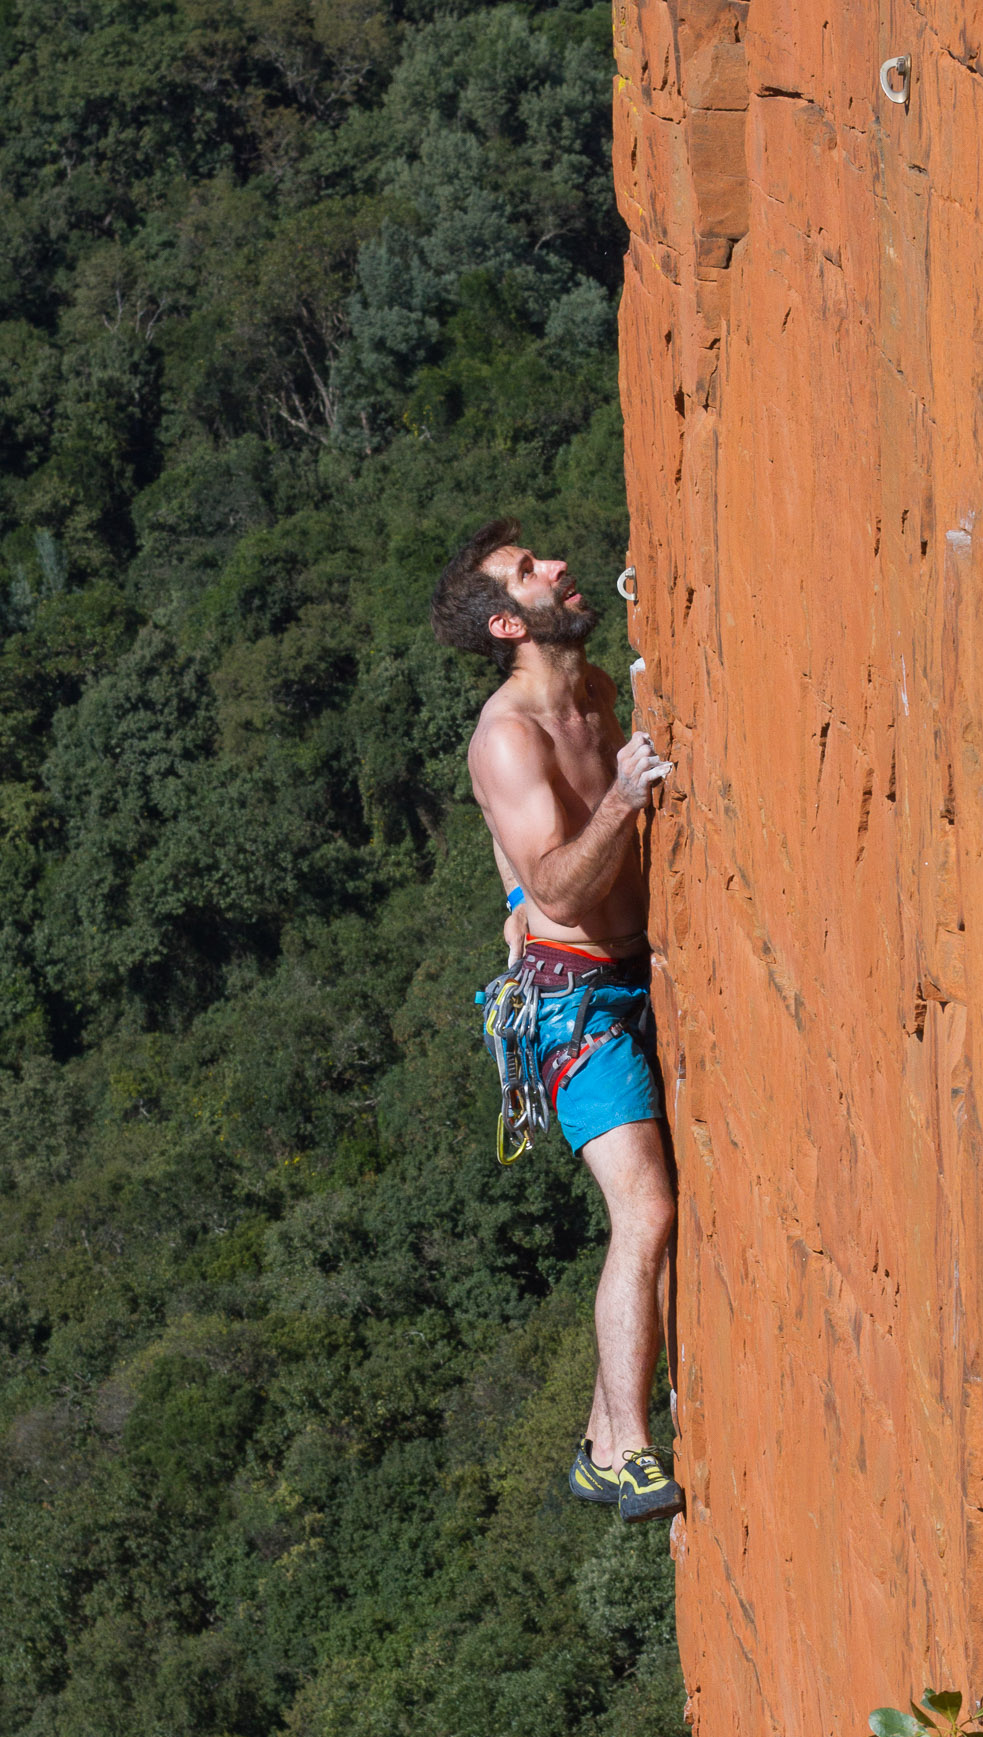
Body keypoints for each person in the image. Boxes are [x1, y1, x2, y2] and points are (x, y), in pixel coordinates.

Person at [430, 519, 683, 1525]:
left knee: (655, 1211)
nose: (557, 569)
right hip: (571, 1000)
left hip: (624, 974)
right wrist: (622, 797)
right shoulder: (507, 735)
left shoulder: (592, 692)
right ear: (506, 621)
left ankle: (593, 1436)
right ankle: (625, 1451)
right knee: (648, 1211)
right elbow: (556, 886)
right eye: (529, 572)